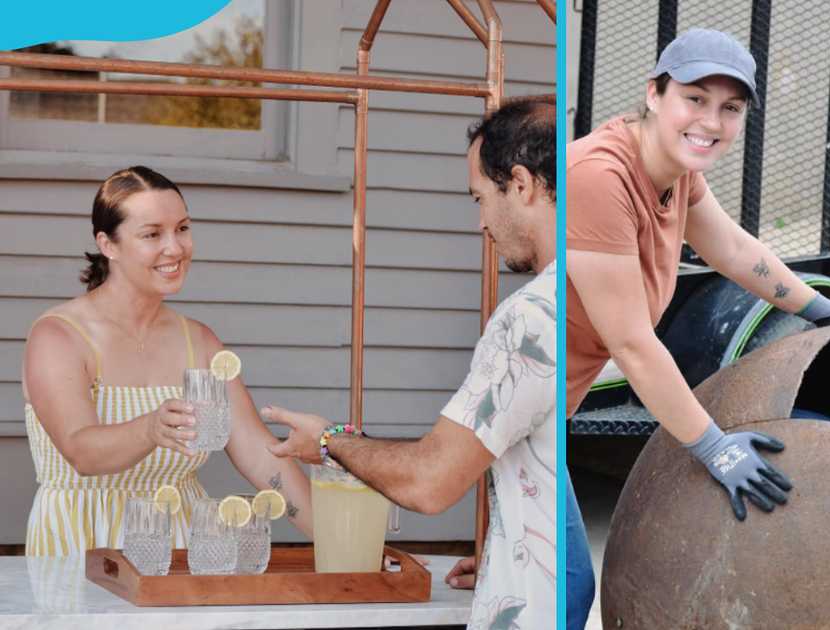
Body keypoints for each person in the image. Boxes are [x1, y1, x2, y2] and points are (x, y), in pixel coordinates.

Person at [565, 28, 830, 628]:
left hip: (552, 404)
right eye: (694, 98)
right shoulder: (600, 177)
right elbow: (632, 345)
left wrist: (817, 307)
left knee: (529, 576)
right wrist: (713, 447)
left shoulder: (674, 169)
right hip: (525, 406)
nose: (711, 122)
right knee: (563, 587)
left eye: (730, 108)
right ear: (654, 93)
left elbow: (732, 249)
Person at [263, 97, 556, 630]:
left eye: (481, 198)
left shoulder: (530, 318)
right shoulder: (593, 291)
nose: (481, 223)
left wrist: (328, 440)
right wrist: (511, 553)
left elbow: (430, 480)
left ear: (521, 184)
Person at [20, 166, 312, 555]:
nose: (175, 248)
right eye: (152, 234)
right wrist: (150, 428)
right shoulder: (59, 336)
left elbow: (261, 457)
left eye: (182, 228)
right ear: (108, 245)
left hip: (179, 551)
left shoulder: (200, 342)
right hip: (80, 544)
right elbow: (81, 452)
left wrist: (338, 540)